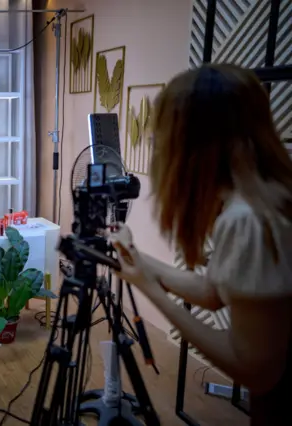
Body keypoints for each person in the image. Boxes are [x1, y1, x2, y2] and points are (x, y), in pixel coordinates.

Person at [109, 64, 292, 426]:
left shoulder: (247, 220)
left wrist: (147, 287)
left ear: (190, 144)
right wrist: (137, 259)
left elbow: (253, 369)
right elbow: (214, 291)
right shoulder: (268, 197)